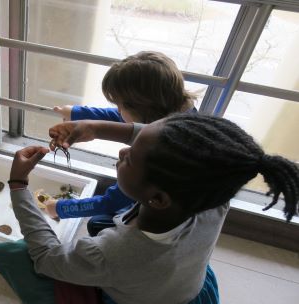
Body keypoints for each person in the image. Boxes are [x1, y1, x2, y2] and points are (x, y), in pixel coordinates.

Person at [7, 114, 299, 304]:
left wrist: (19, 184)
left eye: (131, 158)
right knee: (99, 222)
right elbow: (164, 142)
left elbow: (47, 257)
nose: (123, 151)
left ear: (157, 199)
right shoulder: (213, 199)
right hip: (193, 291)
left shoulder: (113, 253)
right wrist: (94, 127)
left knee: (25, 258)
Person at [46, 51, 197, 236]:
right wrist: (76, 113)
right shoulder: (183, 114)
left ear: (142, 108)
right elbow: (128, 119)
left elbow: (112, 201)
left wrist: (59, 208)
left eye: (119, 105)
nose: (117, 110)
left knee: (96, 224)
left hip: (158, 219)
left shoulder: (156, 157)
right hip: (172, 201)